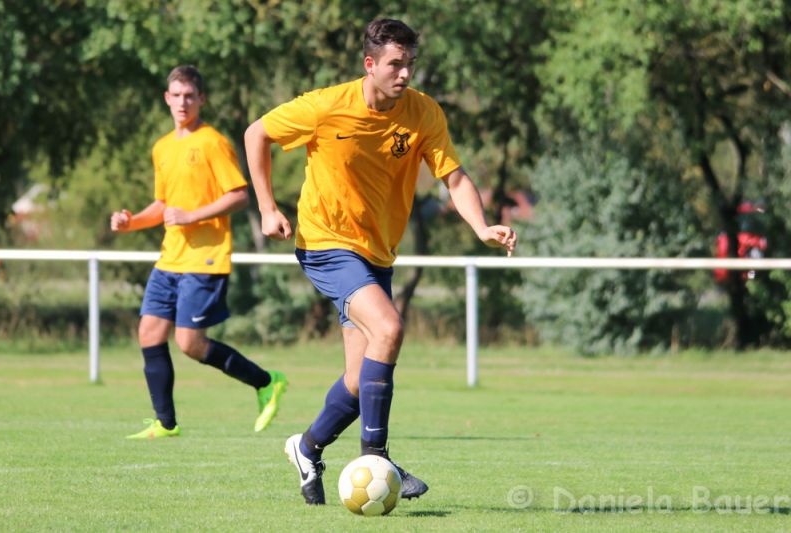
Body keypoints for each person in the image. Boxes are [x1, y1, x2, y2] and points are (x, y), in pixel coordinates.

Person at [244, 19, 517, 505]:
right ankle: (378, 459)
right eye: (395, 64)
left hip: (377, 253)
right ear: (369, 64)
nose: (405, 73)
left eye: (410, 63)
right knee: (389, 328)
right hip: (326, 243)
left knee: (358, 379)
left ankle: (307, 448)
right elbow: (256, 133)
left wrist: (481, 227)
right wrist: (267, 206)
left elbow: (453, 178)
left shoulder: (423, 113)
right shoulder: (327, 106)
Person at [111, 65, 287, 440]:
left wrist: (192, 215)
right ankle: (165, 423)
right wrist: (132, 222)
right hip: (170, 258)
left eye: (189, 96)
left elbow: (239, 196)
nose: (182, 102)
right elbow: (164, 204)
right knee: (149, 333)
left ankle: (266, 382)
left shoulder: (212, 142)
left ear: (201, 99)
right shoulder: (162, 147)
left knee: (189, 343)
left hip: (206, 257)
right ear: (166, 98)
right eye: (176, 95)